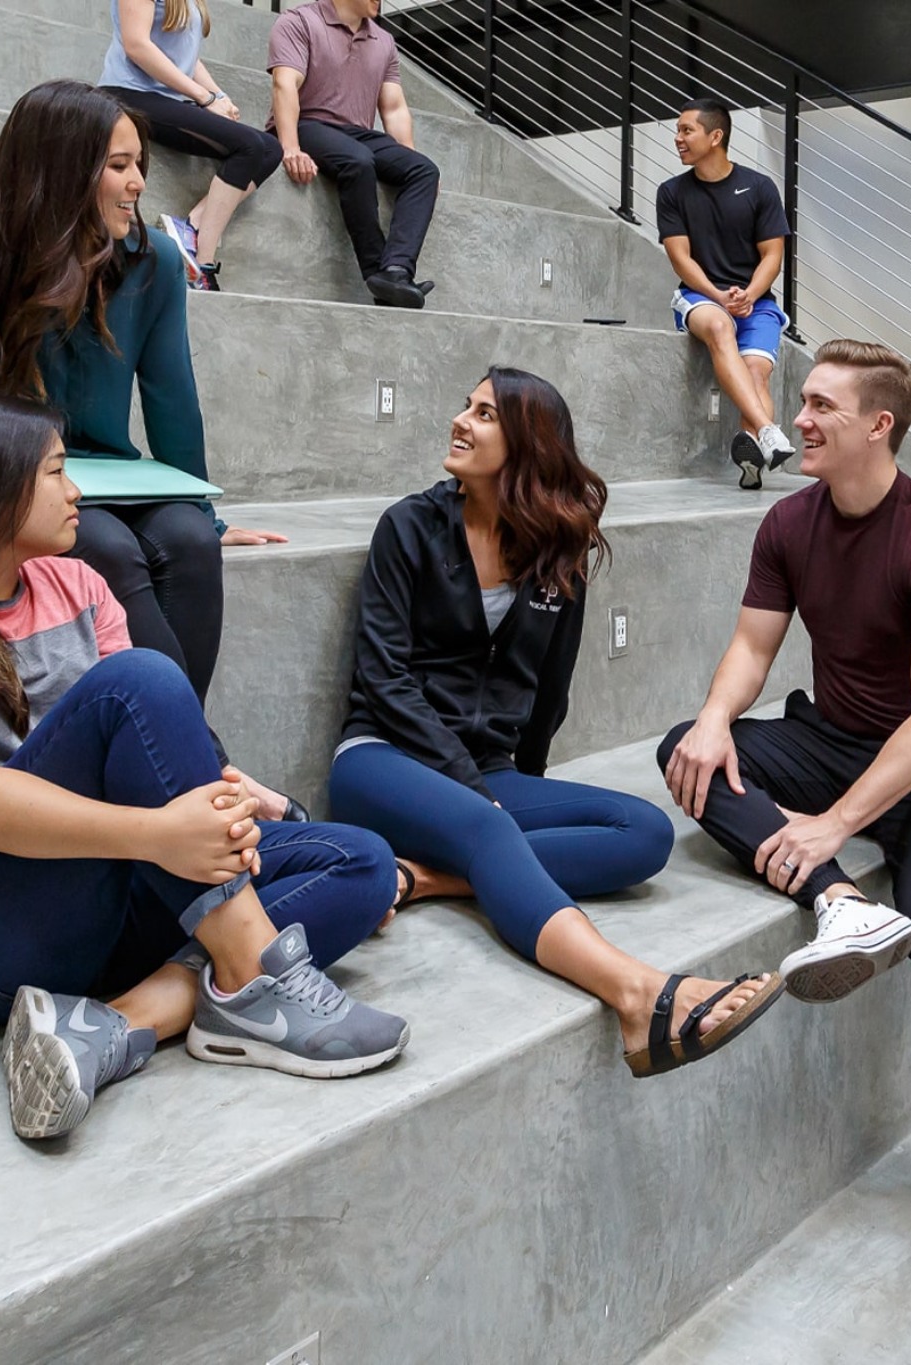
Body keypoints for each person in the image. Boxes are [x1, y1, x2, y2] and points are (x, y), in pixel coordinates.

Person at [0, 398, 409, 1141]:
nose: (79, 495)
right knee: (143, 680)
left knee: (361, 862)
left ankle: (116, 1022)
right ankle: (252, 981)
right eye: (59, 472)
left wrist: (250, 812)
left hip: (98, 889)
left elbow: (156, 761)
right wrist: (159, 835)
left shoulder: (80, 588)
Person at [656, 339, 911, 1285]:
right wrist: (715, 721)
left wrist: (832, 822)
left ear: (880, 425)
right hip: (828, 736)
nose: (799, 419)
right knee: (686, 750)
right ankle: (839, 904)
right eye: (803, 401)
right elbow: (754, 648)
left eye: (821, 406)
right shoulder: (791, 523)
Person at [329, 367, 781, 1077]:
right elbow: (383, 680)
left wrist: (514, 787)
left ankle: (424, 877)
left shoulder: (556, 552)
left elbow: (549, 693)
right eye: (465, 404)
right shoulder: (410, 527)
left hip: (489, 773)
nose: (460, 420)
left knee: (646, 832)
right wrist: (487, 802)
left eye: (483, 414)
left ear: (526, 446)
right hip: (384, 758)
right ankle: (640, 994)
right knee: (490, 826)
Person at [0, 81, 297, 811]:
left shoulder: (155, 263)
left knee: (186, 540)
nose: (138, 182)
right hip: (19, 475)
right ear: (60, 168)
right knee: (108, 547)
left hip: (115, 470)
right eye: (117, 165)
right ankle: (210, 775)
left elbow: (173, 398)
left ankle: (176, 765)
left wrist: (206, 512)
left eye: (139, 163)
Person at [657, 97, 794, 490]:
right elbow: (681, 259)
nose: (678, 139)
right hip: (701, 299)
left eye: (687, 130)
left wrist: (750, 294)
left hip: (756, 302)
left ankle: (751, 454)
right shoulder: (671, 192)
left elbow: (772, 256)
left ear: (715, 136)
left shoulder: (759, 187)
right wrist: (719, 296)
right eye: (678, 131)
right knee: (719, 326)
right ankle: (768, 431)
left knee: (757, 375)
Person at [97, 0, 282, 290]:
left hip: (167, 99)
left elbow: (188, 59)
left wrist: (219, 95)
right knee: (248, 146)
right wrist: (204, 98)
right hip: (129, 93)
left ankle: (191, 226)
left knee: (270, 148)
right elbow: (137, 45)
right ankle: (201, 266)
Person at [268, 0, 439, 309]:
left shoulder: (383, 41)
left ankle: (396, 271)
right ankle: (377, 271)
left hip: (357, 134)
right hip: (308, 122)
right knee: (359, 161)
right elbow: (284, 84)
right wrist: (290, 147)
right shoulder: (299, 21)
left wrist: (408, 160)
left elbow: (394, 108)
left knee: (424, 170)